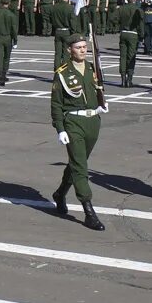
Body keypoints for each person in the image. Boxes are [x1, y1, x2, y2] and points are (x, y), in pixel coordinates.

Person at [50, 33, 109, 231]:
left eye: (85, 46)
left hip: (93, 122)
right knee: (80, 166)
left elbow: (98, 90)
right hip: (73, 122)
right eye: (78, 47)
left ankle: (60, 193)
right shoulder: (62, 73)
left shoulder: (92, 68)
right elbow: (56, 104)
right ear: (69, 50)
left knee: (77, 163)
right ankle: (88, 211)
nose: (83, 50)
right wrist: (60, 128)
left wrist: (101, 105)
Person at [114, 0, 143, 87]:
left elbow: (113, 19)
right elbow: (141, 24)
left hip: (123, 33)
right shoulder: (138, 9)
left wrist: (120, 25)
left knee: (122, 56)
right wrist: (142, 35)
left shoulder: (121, 9)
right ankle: (129, 79)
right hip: (133, 34)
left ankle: (122, 79)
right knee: (131, 57)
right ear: (134, 0)